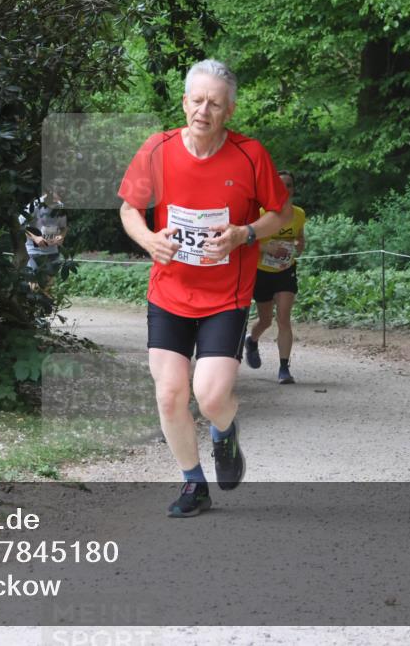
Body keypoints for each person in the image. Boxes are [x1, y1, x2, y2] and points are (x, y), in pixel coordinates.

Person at [117, 59, 292, 517]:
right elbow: (129, 209)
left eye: (214, 103)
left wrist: (244, 234)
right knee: (170, 393)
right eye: (197, 100)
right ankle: (194, 484)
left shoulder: (251, 154)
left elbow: (280, 213)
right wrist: (149, 239)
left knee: (211, 396)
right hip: (170, 293)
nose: (203, 110)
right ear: (184, 103)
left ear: (229, 110)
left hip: (226, 297)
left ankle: (223, 431)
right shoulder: (157, 149)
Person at [244, 171, 306, 384]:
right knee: (266, 320)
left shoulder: (299, 214)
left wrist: (299, 246)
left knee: (284, 318)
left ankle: (284, 368)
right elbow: (246, 242)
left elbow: (300, 240)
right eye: (280, 186)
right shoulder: (261, 212)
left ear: (293, 189)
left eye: (289, 185)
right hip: (262, 272)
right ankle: (252, 341)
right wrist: (266, 247)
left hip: (286, 271)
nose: (285, 190)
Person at [19, 189, 68, 287]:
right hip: (33, 251)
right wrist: (35, 238)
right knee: (33, 284)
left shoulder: (60, 206)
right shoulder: (35, 205)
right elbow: (20, 226)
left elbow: (64, 228)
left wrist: (61, 236)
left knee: (48, 284)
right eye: (58, 193)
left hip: (52, 251)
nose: (60, 196)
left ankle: (48, 301)